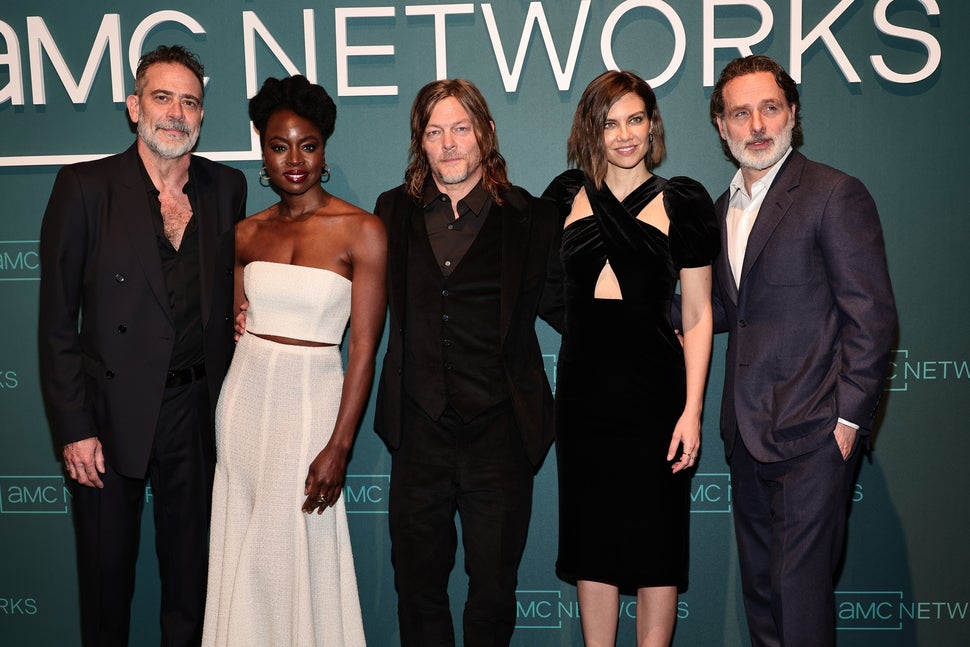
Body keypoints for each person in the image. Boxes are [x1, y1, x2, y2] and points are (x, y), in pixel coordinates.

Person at [37, 45, 247, 646]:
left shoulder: (225, 189)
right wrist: (74, 427)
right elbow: (56, 320)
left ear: (203, 116)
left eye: (190, 101)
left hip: (195, 414)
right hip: (106, 417)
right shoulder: (84, 187)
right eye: (162, 97)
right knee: (107, 586)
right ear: (134, 107)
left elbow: (228, 284)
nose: (176, 113)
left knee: (193, 586)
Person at [706, 55, 897, 646]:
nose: (757, 124)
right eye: (741, 113)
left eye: (770, 107)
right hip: (746, 436)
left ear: (793, 113)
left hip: (813, 435)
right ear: (722, 126)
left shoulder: (833, 194)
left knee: (800, 602)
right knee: (762, 600)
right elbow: (720, 309)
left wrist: (847, 420)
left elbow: (872, 317)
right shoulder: (723, 208)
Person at [372, 78, 563, 647]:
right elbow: (351, 294)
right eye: (435, 132)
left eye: (461, 128)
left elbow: (565, 305)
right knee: (417, 590)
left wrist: (661, 321)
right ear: (420, 143)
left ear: (486, 134)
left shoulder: (533, 218)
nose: (450, 143)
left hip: (500, 435)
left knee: (493, 594)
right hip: (418, 431)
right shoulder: (390, 212)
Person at [202, 75, 386, 646]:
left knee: (299, 552)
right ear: (263, 151)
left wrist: (340, 444)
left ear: (324, 147)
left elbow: (363, 350)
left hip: (312, 410)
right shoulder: (245, 234)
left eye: (307, 144)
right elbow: (240, 323)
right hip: (243, 407)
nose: (295, 159)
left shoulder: (362, 231)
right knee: (245, 554)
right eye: (279, 146)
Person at [542, 70, 718, 646]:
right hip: (584, 394)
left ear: (652, 125)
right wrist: (594, 330)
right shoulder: (566, 196)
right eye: (609, 121)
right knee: (593, 539)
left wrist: (691, 410)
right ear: (591, 129)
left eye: (635, 119)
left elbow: (696, 314)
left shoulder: (683, 201)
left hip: (656, 397)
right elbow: (540, 287)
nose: (624, 134)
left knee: (655, 541)